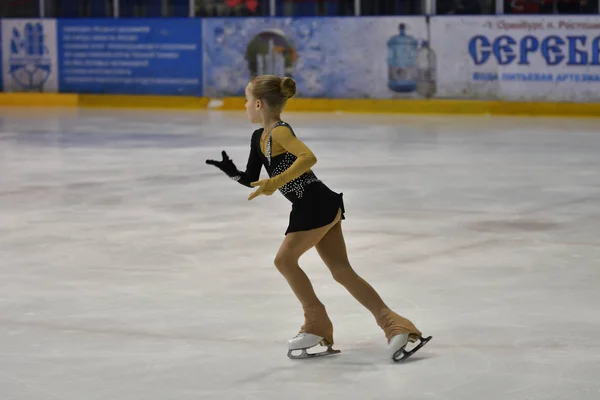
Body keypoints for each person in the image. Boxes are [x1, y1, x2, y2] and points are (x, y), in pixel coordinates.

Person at [206, 74, 431, 361]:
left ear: (259, 103)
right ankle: (395, 325)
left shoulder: (279, 132)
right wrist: (231, 171)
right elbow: (251, 178)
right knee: (341, 271)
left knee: (284, 260)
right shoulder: (258, 138)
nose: (245, 106)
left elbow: (308, 158)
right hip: (316, 204)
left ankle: (317, 323)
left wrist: (276, 181)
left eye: (247, 101)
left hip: (313, 204)